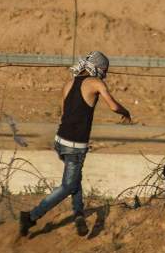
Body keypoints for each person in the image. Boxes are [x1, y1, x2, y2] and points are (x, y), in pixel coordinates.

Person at [19, 52, 132, 238]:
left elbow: (64, 113)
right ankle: (31, 216)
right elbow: (113, 106)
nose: (105, 74)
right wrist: (126, 112)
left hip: (60, 141)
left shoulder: (69, 83)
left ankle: (79, 215)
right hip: (75, 145)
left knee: (75, 179)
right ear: (98, 68)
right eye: (105, 70)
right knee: (68, 186)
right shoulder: (96, 83)